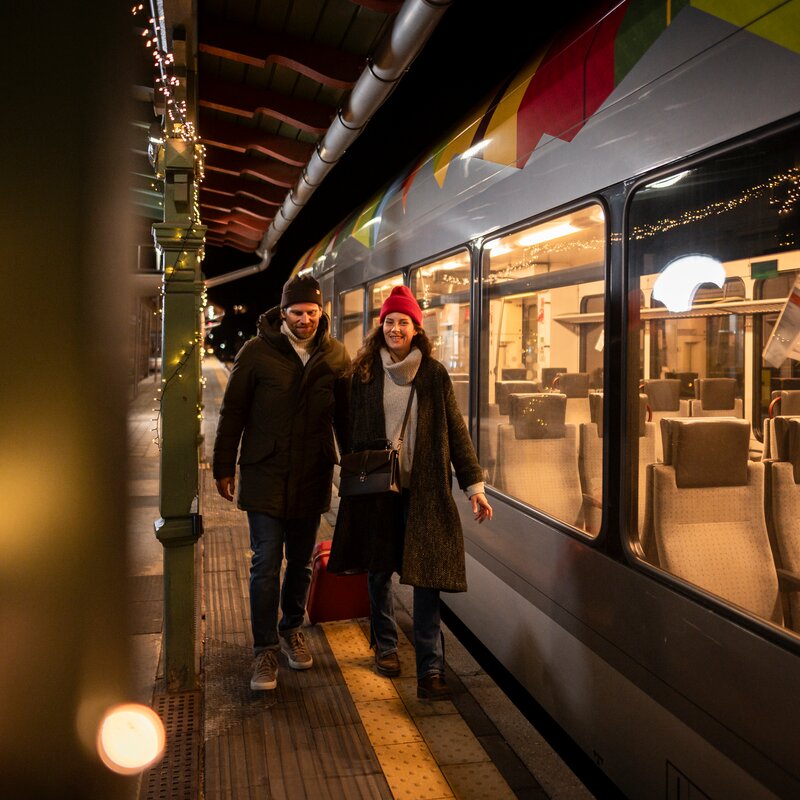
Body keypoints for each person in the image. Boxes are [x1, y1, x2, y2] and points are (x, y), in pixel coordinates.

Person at [328, 285, 492, 700]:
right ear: (380, 328)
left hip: (424, 492)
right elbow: (344, 426)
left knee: (426, 579)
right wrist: (350, 469)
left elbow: (456, 431)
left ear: (416, 329)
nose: (395, 328)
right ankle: (385, 646)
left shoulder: (434, 375)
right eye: (389, 322)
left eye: (403, 322)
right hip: (377, 489)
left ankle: (431, 670)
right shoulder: (363, 373)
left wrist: (474, 486)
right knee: (379, 570)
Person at [213, 274, 350, 691]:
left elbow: (344, 419)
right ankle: (264, 651)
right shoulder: (256, 353)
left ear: (320, 311)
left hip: (311, 474)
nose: (305, 319)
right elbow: (232, 412)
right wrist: (224, 466)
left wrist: (356, 469)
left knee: (302, 561)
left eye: (311, 312)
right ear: (283, 313)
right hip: (265, 473)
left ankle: (292, 628)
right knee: (265, 562)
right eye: (297, 312)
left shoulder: (335, 356)